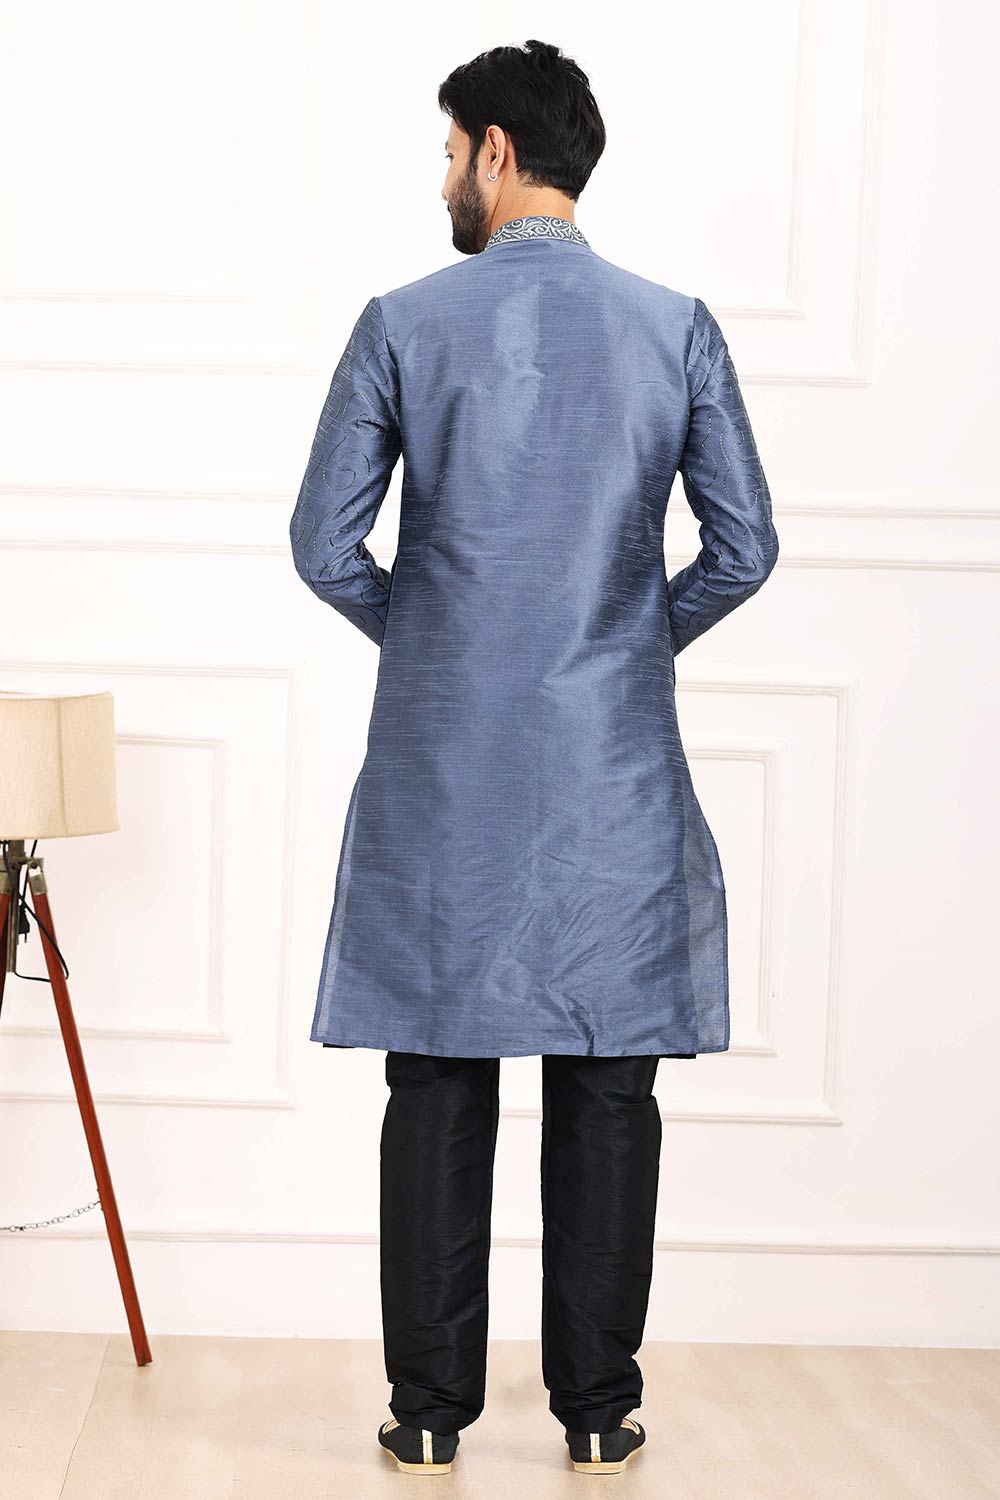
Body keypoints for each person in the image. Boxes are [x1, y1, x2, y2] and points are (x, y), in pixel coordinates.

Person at [290, 38, 779, 1478]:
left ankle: (430, 1415)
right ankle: (600, 1414)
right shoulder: (674, 326)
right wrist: (629, 639)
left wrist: (435, 636)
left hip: (446, 764)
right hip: (611, 762)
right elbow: (745, 548)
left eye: (450, 151)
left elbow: (324, 545)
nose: (445, 176)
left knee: (438, 1081)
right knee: (609, 1083)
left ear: (497, 152)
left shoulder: (403, 320)